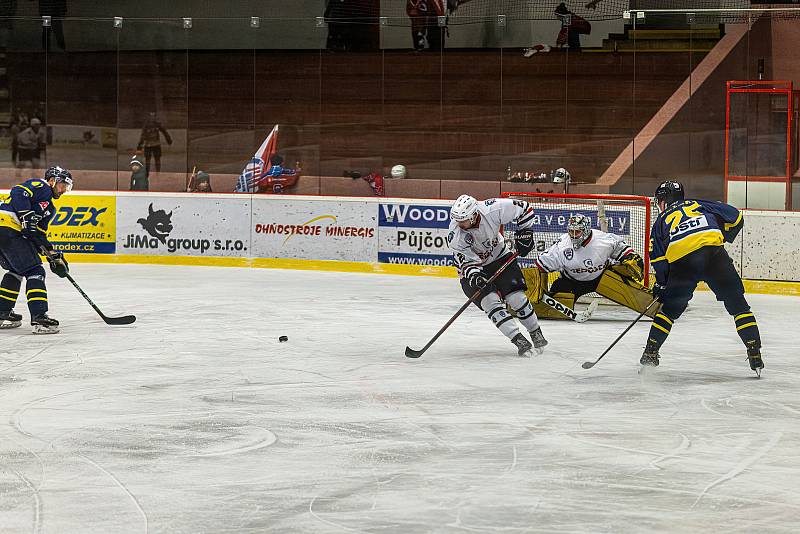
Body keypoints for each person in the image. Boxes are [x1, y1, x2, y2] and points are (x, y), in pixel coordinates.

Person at [641, 181, 763, 375]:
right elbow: (736, 217)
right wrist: (721, 236)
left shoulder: (661, 220)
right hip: (714, 255)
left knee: (669, 311)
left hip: (683, 261)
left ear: (663, 200)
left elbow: (657, 256)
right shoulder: (698, 204)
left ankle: (650, 352)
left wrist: (663, 284)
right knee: (739, 306)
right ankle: (754, 351)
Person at [448, 195, 547, 357]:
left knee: (517, 298)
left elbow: (524, 208)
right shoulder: (456, 235)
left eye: (463, 220)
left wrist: (525, 233)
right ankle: (518, 339)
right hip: (472, 269)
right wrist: (476, 276)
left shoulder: (492, 208)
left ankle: (535, 331)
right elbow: (465, 262)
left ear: (474, 215)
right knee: (490, 302)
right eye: (457, 220)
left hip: (499, 257)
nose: (460, 224)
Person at [528, 213, 647, 316]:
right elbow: (540, 266)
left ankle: (659, 309)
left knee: (637, 296)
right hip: (571, 282)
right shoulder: (561, 247)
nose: (573, 235)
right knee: (549, 310)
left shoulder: (604, 241)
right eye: (571, 231)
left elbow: (624, 250)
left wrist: (631, 259)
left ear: (585, 231)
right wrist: (533, 286)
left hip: (603, 278)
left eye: (577, 232)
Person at [0, 166, 73, 334]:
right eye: (62, 185)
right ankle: (39, 316)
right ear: (52, 180)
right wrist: (26, 215)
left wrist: (52, 253)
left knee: (15, 271)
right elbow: (18, 192)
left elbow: (37, 234)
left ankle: (2, 312)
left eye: (66, 187)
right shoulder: (41, 187)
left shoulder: (49, 209)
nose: (63, 191)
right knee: (35, 270)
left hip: (6, 232)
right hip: (7, 226)